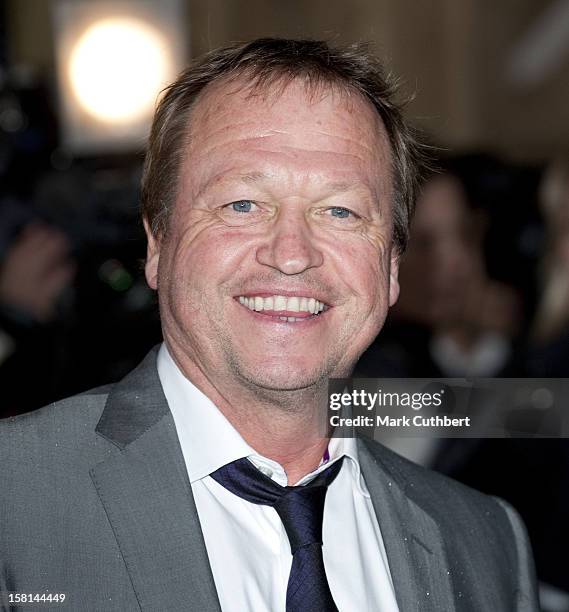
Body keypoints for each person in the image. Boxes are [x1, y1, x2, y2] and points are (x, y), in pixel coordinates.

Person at [0, 38, 538, 612]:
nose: (291, 253)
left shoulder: (488, 544)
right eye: (242, 205)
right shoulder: (17, 499)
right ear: (157, 244)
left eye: (340, 211)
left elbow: (529, 411)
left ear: (391, 269)